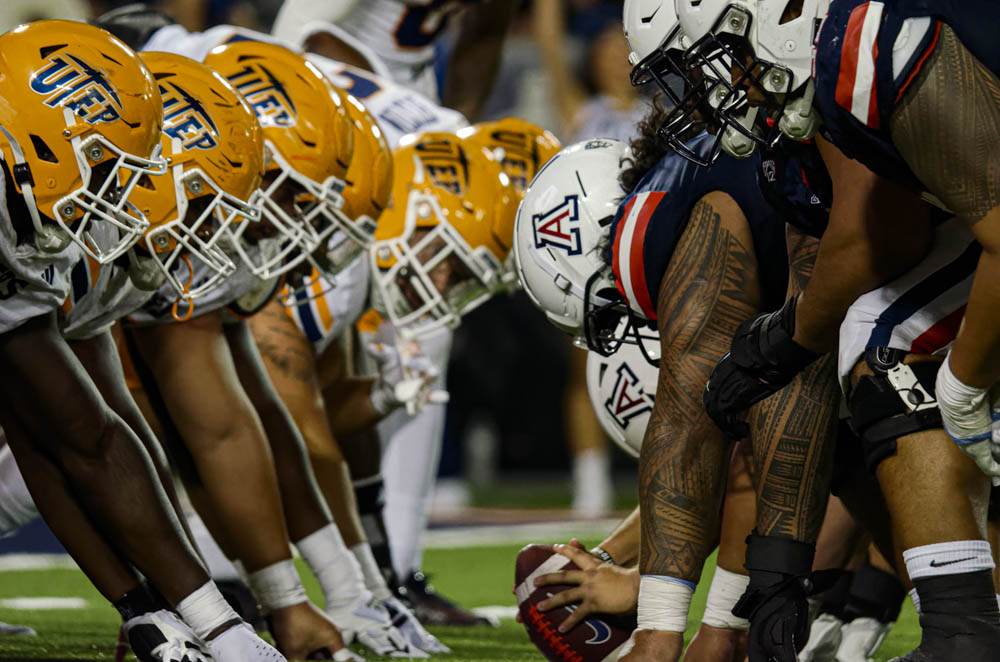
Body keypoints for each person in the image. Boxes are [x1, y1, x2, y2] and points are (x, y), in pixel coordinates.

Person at [0, 20, 284, 662]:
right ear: (47, 138)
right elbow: (84, 439)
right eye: (109, 167)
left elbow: (68, 434)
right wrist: (213, 619)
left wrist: (151, 607)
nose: (118, 193)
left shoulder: (26, 211)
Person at [515, 122, 840, 662]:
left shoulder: (686, 208)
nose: (636, 330)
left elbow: (756, 440)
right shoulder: (734, 171)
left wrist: (680, 613)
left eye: (618, 308)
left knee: (872, 430)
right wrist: (615, 558)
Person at [270, 0, 516, 119]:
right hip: (332, 76)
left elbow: (484, 39)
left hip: (416, 90)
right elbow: (296, 29)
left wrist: (459, 127)